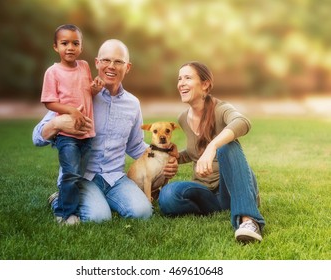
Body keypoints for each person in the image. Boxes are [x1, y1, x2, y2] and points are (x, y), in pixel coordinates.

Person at [33, 39, 178, 224]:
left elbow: (135, 146)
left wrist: (166, 156)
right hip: (84, 177)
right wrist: (57, 123)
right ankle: (59, 199)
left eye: (118, 62)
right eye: (106, 60)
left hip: (115, 178)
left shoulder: (132, 104)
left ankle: (102, 200)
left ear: (128, 67)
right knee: (98, 218)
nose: (111, 66)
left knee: (143, 213)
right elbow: (37, 137)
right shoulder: (79, 94)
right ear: (96, 63)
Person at [158, 61, 265, 243]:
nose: (181, 83)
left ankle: (249, 220)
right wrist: (175, 156)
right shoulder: (183, 118)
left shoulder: (221, 109)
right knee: (167, 196)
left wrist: (212, 146)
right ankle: (219, 208)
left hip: (229, 187)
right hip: (206, 193)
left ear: (205, 84)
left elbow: (243, 122)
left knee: (227, 146)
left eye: (188, 78)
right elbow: (195, 153)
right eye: (179, 79)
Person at [40, 24, 103, 225]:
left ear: (81, 47)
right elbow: (49, 101)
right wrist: (71, 111)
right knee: (70, 175)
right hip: (67, 136)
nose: (70, 47)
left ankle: (60, 201)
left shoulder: (84, 66)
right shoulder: (53, 72)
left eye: (75, 43)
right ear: (55, 47)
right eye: (64, 43)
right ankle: (65, 215)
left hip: (87, 133)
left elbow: (87, 93)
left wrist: (94, 89)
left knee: (76, 176)